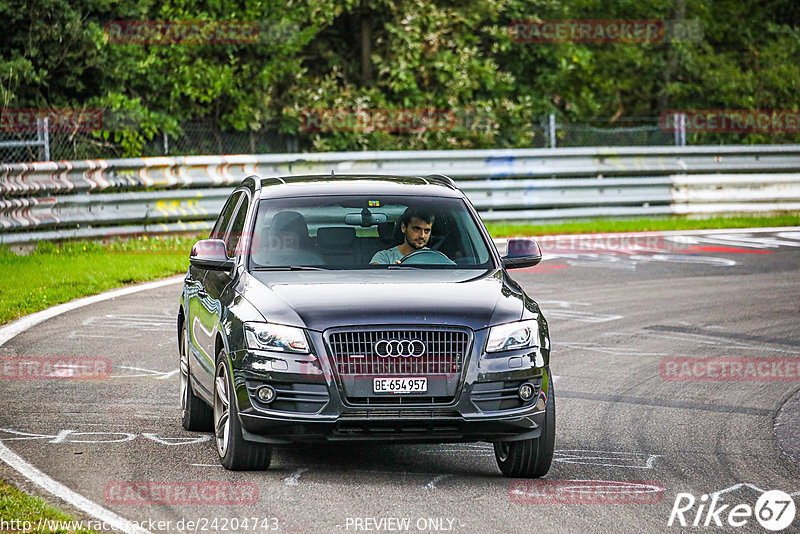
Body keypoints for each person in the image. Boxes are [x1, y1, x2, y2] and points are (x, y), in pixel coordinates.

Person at [252, 211, 324, 265]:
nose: (284, 242)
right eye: (279, 238)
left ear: (301, 239)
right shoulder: (258, 260)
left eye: (290, 239)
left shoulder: (313, 260)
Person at [370, 207, 436, 264]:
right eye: (416, 229)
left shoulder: (436, 258)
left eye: (427, 231)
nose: (422, 235)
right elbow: (375, 276)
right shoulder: (384, 257)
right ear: (403, 227)